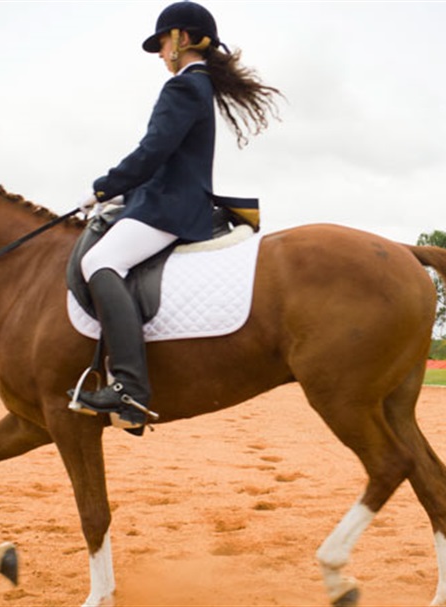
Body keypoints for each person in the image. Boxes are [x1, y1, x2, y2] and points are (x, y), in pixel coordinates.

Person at [74, 1, 282, 427]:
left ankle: (129, 389)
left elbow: (154, 151)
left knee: (99, 260)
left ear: (181, 39)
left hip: (169, 206)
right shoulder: (198, 85)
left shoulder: (185, 86)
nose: (159, 54)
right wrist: (124, 196)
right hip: (161, 199)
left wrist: (104, 187)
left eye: (162, 43)